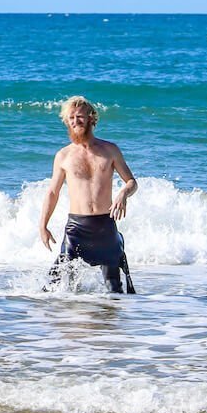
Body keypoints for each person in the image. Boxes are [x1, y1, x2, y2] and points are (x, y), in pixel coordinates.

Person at [39, 96, 137, 293]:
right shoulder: (63, 156)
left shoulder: (110, 150)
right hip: (76, 229)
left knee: (115, 289)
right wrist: (43, 225)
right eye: (71, 118)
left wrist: (123, 193)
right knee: (61, 288)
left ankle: (111, 322)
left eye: (80, 117)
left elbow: (131, 182)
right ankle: (71, 322)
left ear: (92, 118)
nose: (76, 121)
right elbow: (52, 192)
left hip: (105, 227)